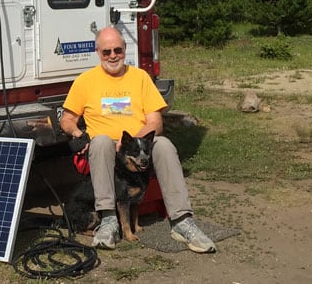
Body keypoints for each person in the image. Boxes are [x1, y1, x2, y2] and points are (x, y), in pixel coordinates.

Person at [59, 26, 216, 253]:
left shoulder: (140, 77)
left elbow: (155, 122)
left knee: (164, 145)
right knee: (102, 141)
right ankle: (109, 219)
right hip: (104, 147)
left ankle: (182, 220)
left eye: (117, 50)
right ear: (98, 52)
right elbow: (67, 119)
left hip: (136, 144)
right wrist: (76, 133)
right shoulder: (85, 81)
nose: (113, 55)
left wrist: (132, 144)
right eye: (107, 52)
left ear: (124, 50)